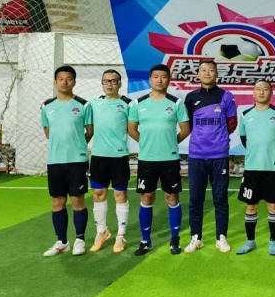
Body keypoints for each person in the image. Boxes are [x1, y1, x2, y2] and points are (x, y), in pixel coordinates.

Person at [127, 64, 190, 256]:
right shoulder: (137, 104)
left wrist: (170, 143)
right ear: (150, 79)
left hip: (169, 160)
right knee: (147, 197)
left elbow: (185, 129)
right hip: (147, 160)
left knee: (172, 197)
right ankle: (145, 241)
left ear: (168, 79)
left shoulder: (176, 103)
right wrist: (147, 144)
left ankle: (174, 239)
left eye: (163, 76)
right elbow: (131, 129)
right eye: (156, 76)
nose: (159, 80)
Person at [183, 60, 238, 254]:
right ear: (198, 74)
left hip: (219, 156)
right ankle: (196, 238)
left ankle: (221, 237)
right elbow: (188, 124)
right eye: (203, 70)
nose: (207, 73)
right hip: (196, 156)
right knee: (195, 198)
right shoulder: (190, 98)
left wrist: (219, 139)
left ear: (216, 73)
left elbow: (232, 123)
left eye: (211, 70)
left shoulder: (226, 96)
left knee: (220, 198)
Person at [41, 65, 93, 257]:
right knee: (57, 201)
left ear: (74, 82)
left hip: (77, 161)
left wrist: (77, 145)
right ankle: (62, 242)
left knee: (77, 199)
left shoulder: (84, 105)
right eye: (61, 79)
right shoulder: (46, 106)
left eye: (69, 79)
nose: (65, 82)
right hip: (55, 161)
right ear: (55, 82)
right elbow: (48, 131)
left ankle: (80, 240)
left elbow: (89, 131)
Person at [236, 80, 275, 256]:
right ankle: (250, 241)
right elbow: (244, 139)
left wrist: (273, 154)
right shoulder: (245, 115)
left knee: (273, 206)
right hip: (252, 168)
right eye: (258, 89)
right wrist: (257, 154)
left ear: (271, 93)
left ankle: (273, 242)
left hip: (272, 169)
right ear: (253, 93)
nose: (261, 92)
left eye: (265, 89)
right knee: (251, 206)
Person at [88, 69, 131, 253]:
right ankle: (102, 232)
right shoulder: (93, 104)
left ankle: (120, 235)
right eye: (106, 81)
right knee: (98, 194)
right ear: (102, 83)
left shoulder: (128, 104)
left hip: (119, 157)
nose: (109, 84)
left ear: (119, 83)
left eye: (113, 81)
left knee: (120, 195)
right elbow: (73, 102)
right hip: (99, 157)